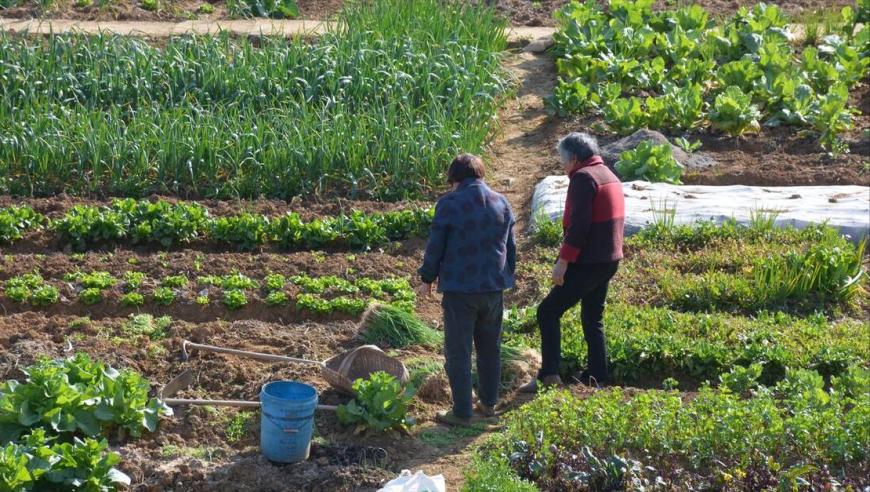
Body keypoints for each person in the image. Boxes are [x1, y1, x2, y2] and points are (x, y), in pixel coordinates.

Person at [417, 153, 516, 426]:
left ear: (454, 179)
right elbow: (511, 247)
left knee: (459, 351)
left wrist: (426, 278)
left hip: (461, 289)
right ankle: (488, 404)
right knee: (490, 348)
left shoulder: (449, 203)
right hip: (493, 288)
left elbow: (436, 245)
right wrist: (507, 277)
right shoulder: (502, 202)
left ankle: (462, 411)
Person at [520, 132, 624, 393]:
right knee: (592, 317)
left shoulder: (583, 178)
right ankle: (597, 377)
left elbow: (579, 226)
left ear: (575, 159)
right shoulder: (608, 175)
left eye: (563, 162)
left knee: (547, 312)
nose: (563, 168)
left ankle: (549, 374)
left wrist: (563, 261)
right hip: (609, 259)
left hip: (588, 261)